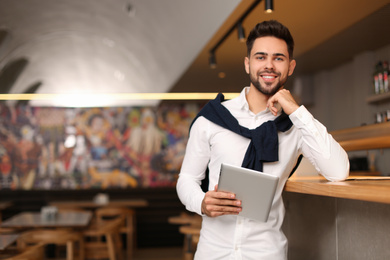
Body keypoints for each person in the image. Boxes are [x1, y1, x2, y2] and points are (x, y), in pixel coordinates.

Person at [176, 20, 349, 259]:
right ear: (248, 64)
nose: (269, 65)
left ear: (291, 66)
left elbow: (338, 170)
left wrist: (296, 110)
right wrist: (201, 202)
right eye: (260, 57)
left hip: (267, 253)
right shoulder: (213, 118)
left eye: (279, 58)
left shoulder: (296, 126)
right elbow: (187, 179)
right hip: (213, 252)